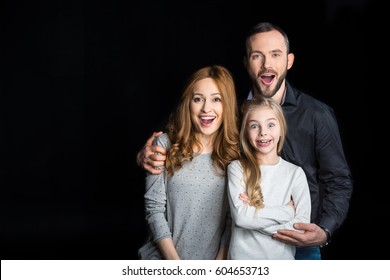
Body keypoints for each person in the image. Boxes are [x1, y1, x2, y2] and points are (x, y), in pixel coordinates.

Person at [136, 22, 354, 260]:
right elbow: (188, 134)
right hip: (244, 246)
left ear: (289, 61)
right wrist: (146, 153)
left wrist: (324, 231)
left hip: (298, 242)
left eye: (275, 55)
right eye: (257, 56)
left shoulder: (316, 115)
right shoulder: (232, 114)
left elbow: (338, 181)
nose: (266, 64)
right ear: (246, 63)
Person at [137, 65, 241, 260]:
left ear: (227, 104)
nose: (206, 108)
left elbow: (232, 221)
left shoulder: (235, 155)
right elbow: (154, 210)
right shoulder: (164, 145)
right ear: (188, 103)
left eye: (216, 99)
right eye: (198, 99)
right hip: (163, 260)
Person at [227, 96, 311, 259]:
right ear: (246, 132)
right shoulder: (237, 169)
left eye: (271, 124)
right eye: (254, 126)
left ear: (281, 129)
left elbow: (300, 228)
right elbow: (241, 218)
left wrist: (254, 215)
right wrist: (286, 212)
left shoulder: (295, 173)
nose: (263, 132)